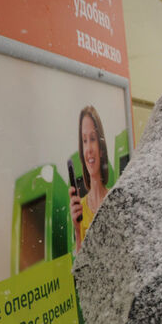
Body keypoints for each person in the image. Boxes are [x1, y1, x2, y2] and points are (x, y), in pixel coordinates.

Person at [70, 105, 110, 252]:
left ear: (101, 148)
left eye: (92, 139)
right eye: (84, 140)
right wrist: (77, 230)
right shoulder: (79, 209)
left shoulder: (114, 201)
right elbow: (80, 270)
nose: (89, 149)